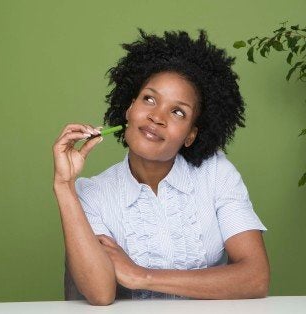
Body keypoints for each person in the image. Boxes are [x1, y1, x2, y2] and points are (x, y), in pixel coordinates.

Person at [52, 29, 269, 305]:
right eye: (149, 99)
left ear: (191, 134)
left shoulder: (216, 173)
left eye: (178, 112)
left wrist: (142, 276)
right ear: (129, 109)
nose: (157, 116)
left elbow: (256, 278)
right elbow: (100, 293)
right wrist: (64, 185)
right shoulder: (92, 193)